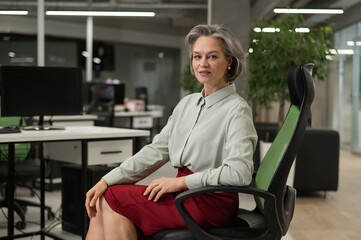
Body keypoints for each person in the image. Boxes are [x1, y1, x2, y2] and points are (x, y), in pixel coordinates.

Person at [85, 24, 258, 240]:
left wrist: (181, 183)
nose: (202, 64)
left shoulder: (237, 109)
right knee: (104, 195)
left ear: (229, 61)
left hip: (210, 200)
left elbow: (239, 173)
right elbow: (156, 151)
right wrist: (107, 179)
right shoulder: (187, 104)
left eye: (212, 57)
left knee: (113, 198)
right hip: (184, 194)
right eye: (197, 57)